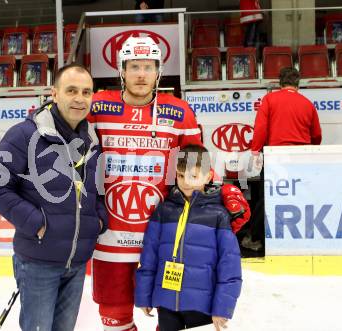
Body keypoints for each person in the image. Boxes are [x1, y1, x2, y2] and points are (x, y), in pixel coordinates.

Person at [88, 36, 250, 331]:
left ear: (158, 71)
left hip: (166, 231)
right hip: (110, 230)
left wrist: (224, 190)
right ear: (121, 70)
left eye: (148, 67)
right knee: (113, 313)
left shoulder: (179, 112)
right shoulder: (97, 107)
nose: (140, 74)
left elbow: (196, 165)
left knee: (173, 311)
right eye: (134, 66)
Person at [0, 63, 108, 331]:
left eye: (86, 92)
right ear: (54, 93)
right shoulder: (25, 134)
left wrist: (97, 221)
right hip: (38, 261)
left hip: (76, 263)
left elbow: (96, 191)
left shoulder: (92, 140)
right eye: (71, 90)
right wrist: (38, 224)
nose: (79, 98)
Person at [135, 144, 242, 331]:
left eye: (193, 176)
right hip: (167, 304)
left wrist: (222, 308)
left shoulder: (218, 215)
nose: (185, 182)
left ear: (208, 176)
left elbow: (230, 267)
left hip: (202, 306)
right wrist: (144, 296)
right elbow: (149, 257)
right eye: (181, 175)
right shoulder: (164, 211)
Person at [245, 67, 322, 251]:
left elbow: (261, 128)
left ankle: (255, 238)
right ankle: (299, 237)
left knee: (268, 198)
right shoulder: (307, 104)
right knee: (299, 197)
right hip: (301, 158)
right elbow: (317, 136)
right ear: (298, 84)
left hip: (276, 157)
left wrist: (255, 151)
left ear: (280, 83)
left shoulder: (270, 99)